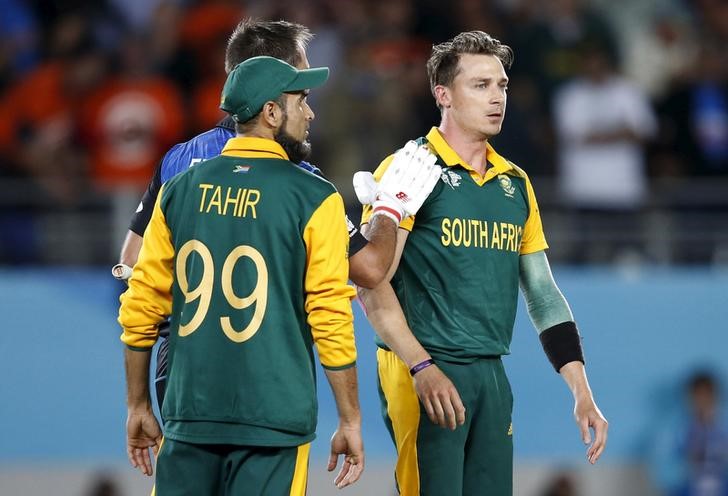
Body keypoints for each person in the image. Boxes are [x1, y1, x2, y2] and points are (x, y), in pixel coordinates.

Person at [111, 19, 439, 409]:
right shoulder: (302, 181)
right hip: (267, 365)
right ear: (270, 92)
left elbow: (131, 262)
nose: (308, 104)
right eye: (300, 87)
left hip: (183, 365)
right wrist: (390, 208)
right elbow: (369, 270)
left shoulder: (179, 163)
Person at [357, 31, 609, 495]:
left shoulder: (516, 184)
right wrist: (421, 367)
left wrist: (581, 390)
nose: (497, 98)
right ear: (443, 95)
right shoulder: (410, 168)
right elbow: (372, 285)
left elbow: (542, 292)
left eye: (502, 86)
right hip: (424, 366)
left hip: (490, 371)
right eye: (481, 85)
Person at [119, 56, 364, 494]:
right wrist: (350, 417)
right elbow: (330, 314)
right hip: (274, 419)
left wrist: (138, 403)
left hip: (189, 414)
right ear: (271, 113)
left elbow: (141, 304)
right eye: (301, 100)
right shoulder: (315, 196)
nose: (310, 113)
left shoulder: (179, 190)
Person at [650, 371, 728, 496]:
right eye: (698, 396)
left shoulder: (724, 428)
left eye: (707, 396)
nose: (702, 402)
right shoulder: (674, 431)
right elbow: (663, 473)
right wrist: (688, 464)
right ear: (689, 398)